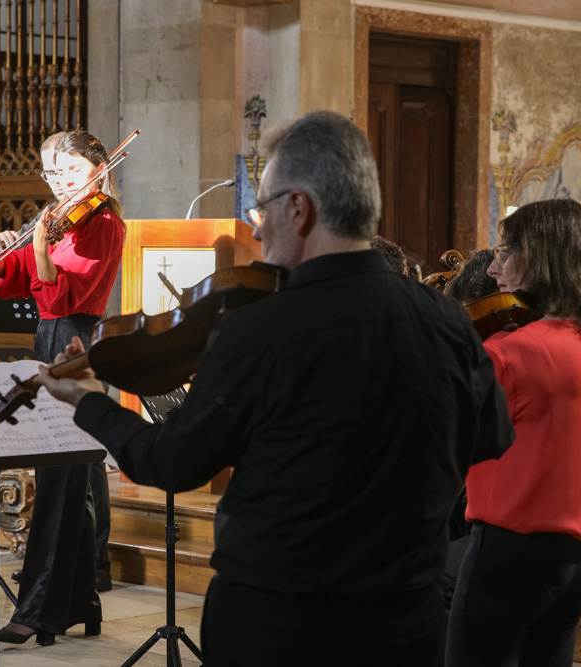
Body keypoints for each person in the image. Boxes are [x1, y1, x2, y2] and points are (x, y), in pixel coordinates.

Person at [33, 111, 514, 666]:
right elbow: (491, 438)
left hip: (279, 624)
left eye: (260, 210)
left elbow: (169, 464)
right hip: (407, 622)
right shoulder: (447, 320)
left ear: (299, 208)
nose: (256, 229)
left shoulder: (257, 328)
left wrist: (90, 401)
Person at [445, 199, 581, 667]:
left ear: (543, 257)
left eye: (506, 252)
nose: (493, 269)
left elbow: (448, 441)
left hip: (507, 557)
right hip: (579, 562)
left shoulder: (508, 352)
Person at [0, 130, 125, 644]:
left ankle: (37, 609)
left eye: (71, 173)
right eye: (54, 174)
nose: (61, 184)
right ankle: (82, 602)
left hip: (76, 342)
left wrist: (38, 248)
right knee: (68, 480)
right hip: (50, 338)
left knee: (59, 481)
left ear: (99, 169)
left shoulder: (102, 221)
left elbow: (61, 295)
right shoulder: (55, 218)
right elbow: (9, 281)